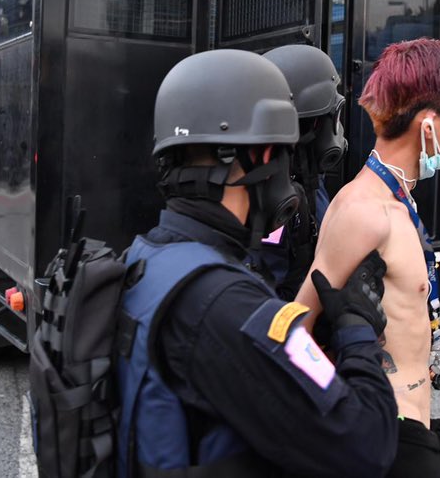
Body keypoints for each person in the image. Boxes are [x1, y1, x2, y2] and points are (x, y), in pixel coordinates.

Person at [116, 49, 398, 477]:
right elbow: (368, 443)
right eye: (283, 153)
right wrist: (357, 326)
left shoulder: (145, 257)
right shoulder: (230, 306)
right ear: (261, 156)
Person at [295, 38, 440, 478]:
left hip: (414, 430)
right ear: (429, 124)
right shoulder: (366, 211)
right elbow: (290, 332)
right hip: (389, 440)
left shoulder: (398, 199)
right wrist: (347, 413)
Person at [260, 44, 347, 300]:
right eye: (333, 113)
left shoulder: (311, 183)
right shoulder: (277, 198)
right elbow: (271, 294)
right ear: (317, 121)